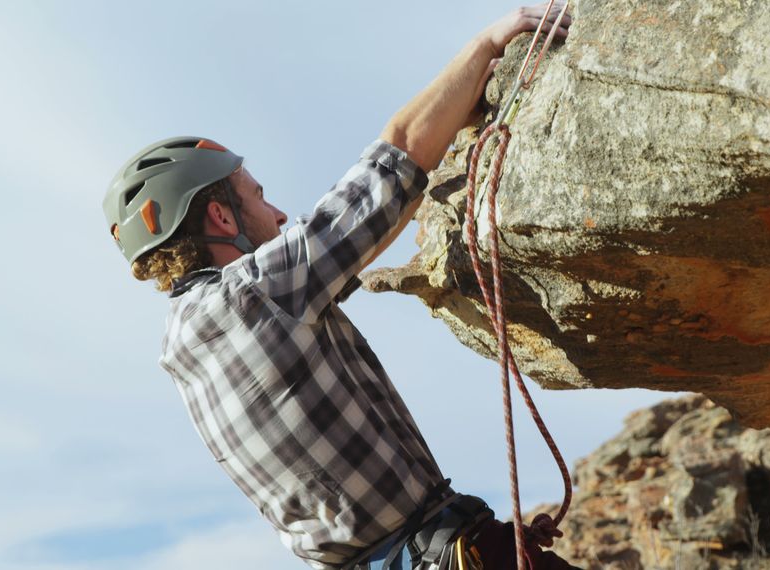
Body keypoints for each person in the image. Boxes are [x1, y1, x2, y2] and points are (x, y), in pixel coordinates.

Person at [102, 4, 578, 569]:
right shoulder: (254, 295)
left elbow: (373, 226)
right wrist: (485, 47)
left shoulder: (190, 343)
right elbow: (392, 163)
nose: (279, 215)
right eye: (256, 196)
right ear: (221, 219)